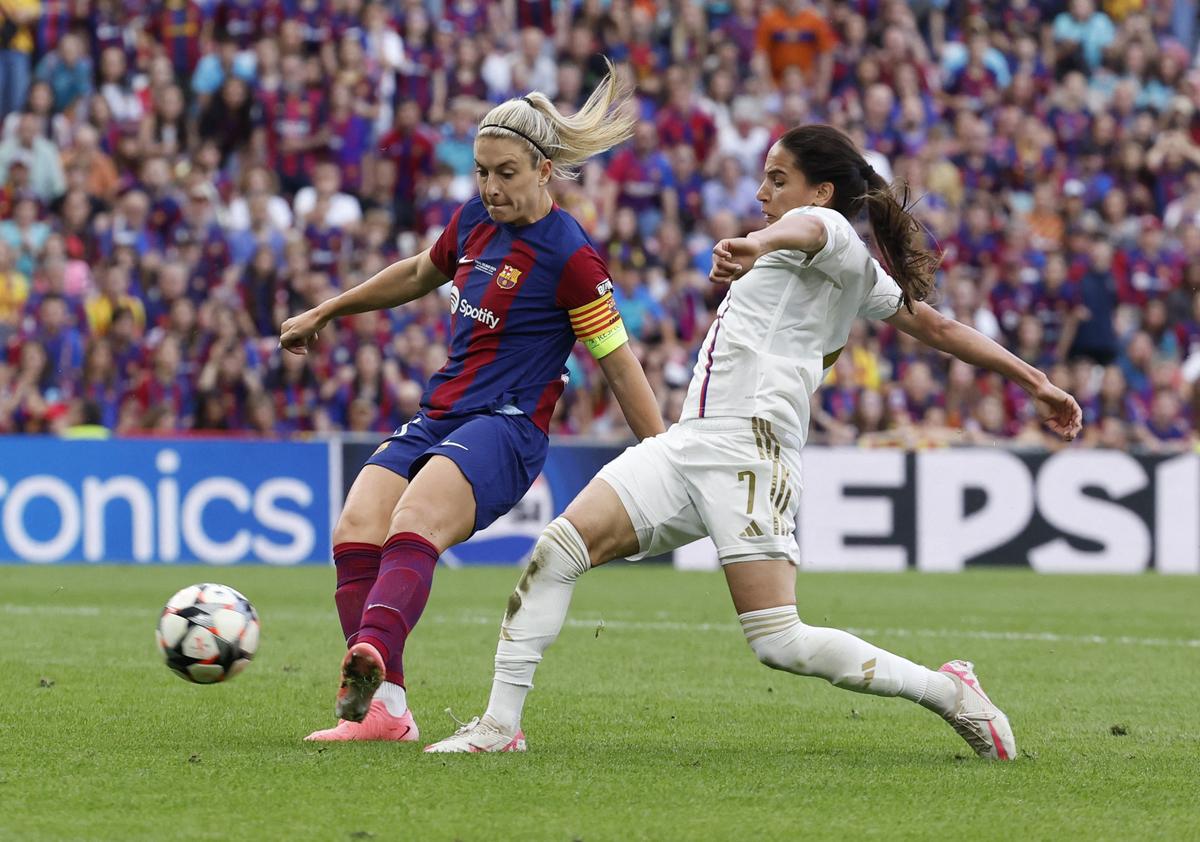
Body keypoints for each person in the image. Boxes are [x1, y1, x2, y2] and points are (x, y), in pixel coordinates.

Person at [425, 125, 1083, 758]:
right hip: (690, 445)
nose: (763, 193)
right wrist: (1035, 380)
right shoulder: (852, 270)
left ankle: (949, 691)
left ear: (821, 191)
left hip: (749, 452)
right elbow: (938, 327)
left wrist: (757, 243)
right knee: (559, 549)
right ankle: (499, 725)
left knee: (779, 641)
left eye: (778, 179)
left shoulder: (824, 231)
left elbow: (806, 231)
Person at [279, 65, 665, 743]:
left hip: (506, 427)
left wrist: (667, 459)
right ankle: (385, 711)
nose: (490, 187)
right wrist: (327, 310)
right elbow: (415, 273)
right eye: (482, 172)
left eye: (507, 173)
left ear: (544, 170)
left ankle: (369, 654)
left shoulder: (573, 257)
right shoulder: (473, 223)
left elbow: (619, 366)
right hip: (441, 414)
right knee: (355, 527)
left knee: (415, 518)